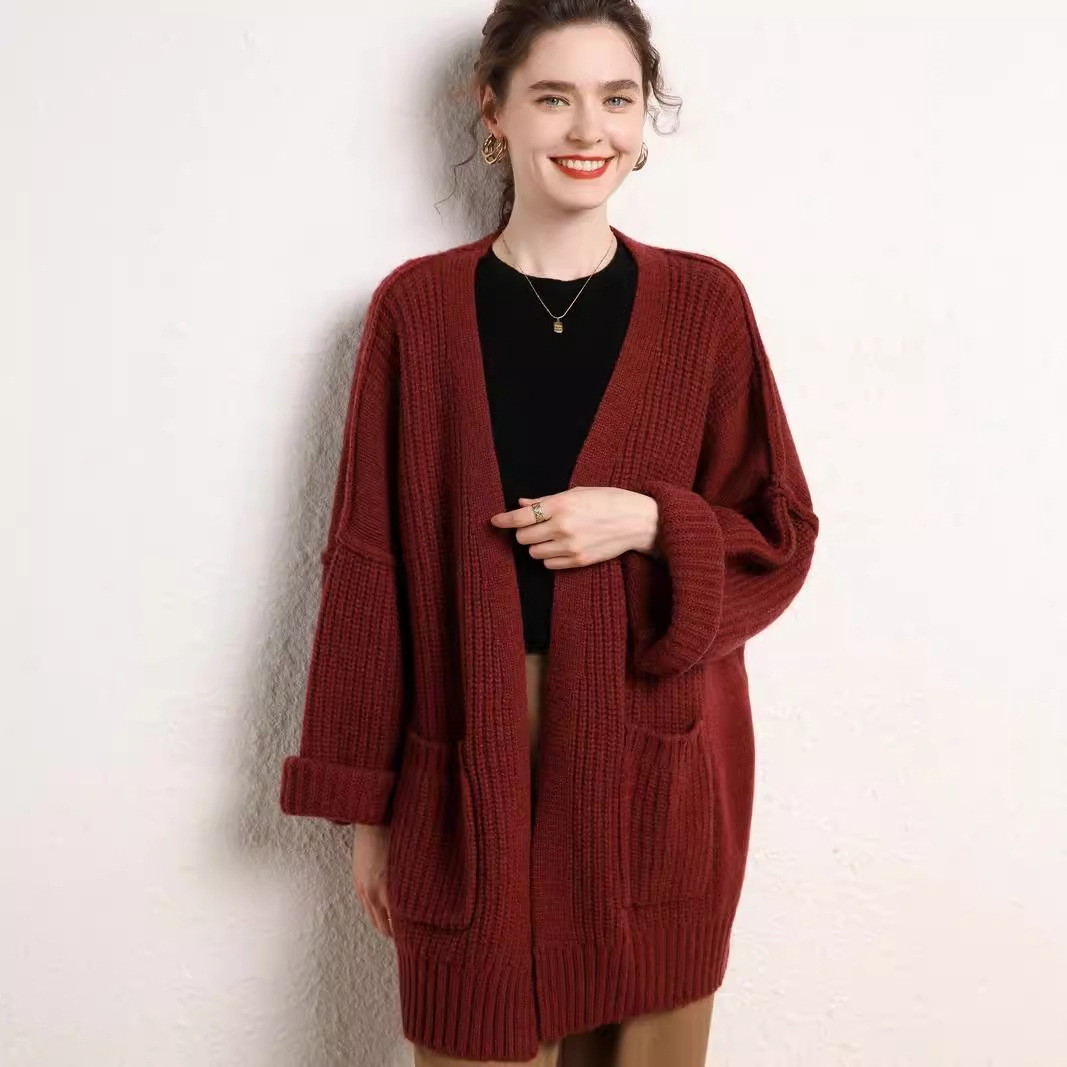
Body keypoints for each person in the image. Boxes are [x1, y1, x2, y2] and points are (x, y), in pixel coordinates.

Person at [279, 2, 820, 1064]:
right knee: (475, 1032)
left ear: (643, 114)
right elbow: (368, 570)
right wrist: (369, 813)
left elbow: (780, 534)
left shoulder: (704, 305)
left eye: (616, 98)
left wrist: (654, 519)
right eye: (552, 97)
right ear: (494, 112)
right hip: (472, 755)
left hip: (654, 766)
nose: (588, 129)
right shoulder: (416, 312)